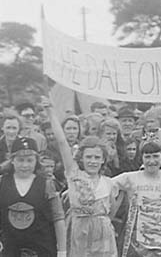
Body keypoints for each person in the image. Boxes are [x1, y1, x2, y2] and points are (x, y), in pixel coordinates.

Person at [44, 97, 119, 257]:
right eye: (89, 157)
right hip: (79, 228)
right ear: (82, 159)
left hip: (103, 232)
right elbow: (62, 142)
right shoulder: (74, 173)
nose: (92, 161)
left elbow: (111, 210)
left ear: (103, 160)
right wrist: (51, 112)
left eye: (96, 157)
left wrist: (100, 223)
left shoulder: (108, 183)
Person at [0, 137, 66, 257]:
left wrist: (62, 251)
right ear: (12, 160)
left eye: (29, 160)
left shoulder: (47, 184)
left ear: (36, 161)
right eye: (20, 160)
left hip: (42, 248)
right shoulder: (1, 183)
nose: (25, 165)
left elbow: (58, 218)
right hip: (10, 248)